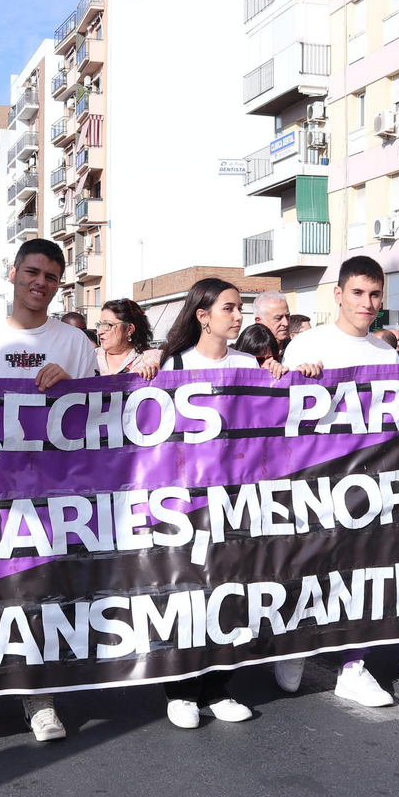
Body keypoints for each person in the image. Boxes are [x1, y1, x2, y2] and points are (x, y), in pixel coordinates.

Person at [0, 239, 99, 742]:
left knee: (40, 595)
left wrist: (73, 388)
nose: (40, 283)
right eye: (32, 272)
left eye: (51, 277)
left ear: (59, 285)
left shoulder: (77, 344)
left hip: (53, 493)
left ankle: (40, 697)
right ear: (12, 275)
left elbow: (101, 422)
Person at [152, 277, 304, 728]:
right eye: (230, 309)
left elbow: (271, 421)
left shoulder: (248, 364)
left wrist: (285, 378)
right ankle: (181, 691)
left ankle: (217, 686)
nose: (239, 317)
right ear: (203, 316)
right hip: (183, 504)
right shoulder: (174, 364)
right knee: (186, 594)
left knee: (228, 593)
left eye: (240, 309)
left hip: (236, 502)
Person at [275, 257, 399, 709]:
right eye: (358, 293)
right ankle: (296, 645)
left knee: (364, 573)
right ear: (338, 295)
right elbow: (282, 417)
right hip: (313, 481)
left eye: (375, 294)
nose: (367, 303)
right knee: (309, 568)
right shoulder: (306, 346)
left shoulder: (388, 354)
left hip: (370, 483)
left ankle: (354, 667)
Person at [96, 298, 159, 378]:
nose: (100, 332)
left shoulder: (153, 358)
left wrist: (153, 375)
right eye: (99, 325)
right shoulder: (90, 358)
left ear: (129, 329)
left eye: (107, 325)